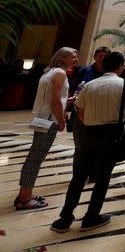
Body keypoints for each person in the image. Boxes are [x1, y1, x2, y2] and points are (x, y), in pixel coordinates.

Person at [50, 52, 125, 232]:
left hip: (87, 136)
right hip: (111, 137)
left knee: (78, 178)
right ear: (120, 66)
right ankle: (91, 217)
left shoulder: (89, 85)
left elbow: (81, 112)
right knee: (102, 178)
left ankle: (65, 218)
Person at [14, 47, 75, 210]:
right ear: (63, 59)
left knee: (34, 156)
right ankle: (25, 198)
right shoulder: (60, 74)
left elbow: (53, 97)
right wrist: (62, 121)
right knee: (36, 158)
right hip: (49, 119)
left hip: (42, 117)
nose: (76, 59)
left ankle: (24, 193)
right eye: (73, 57)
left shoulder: (50, 72)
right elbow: (55, 102)